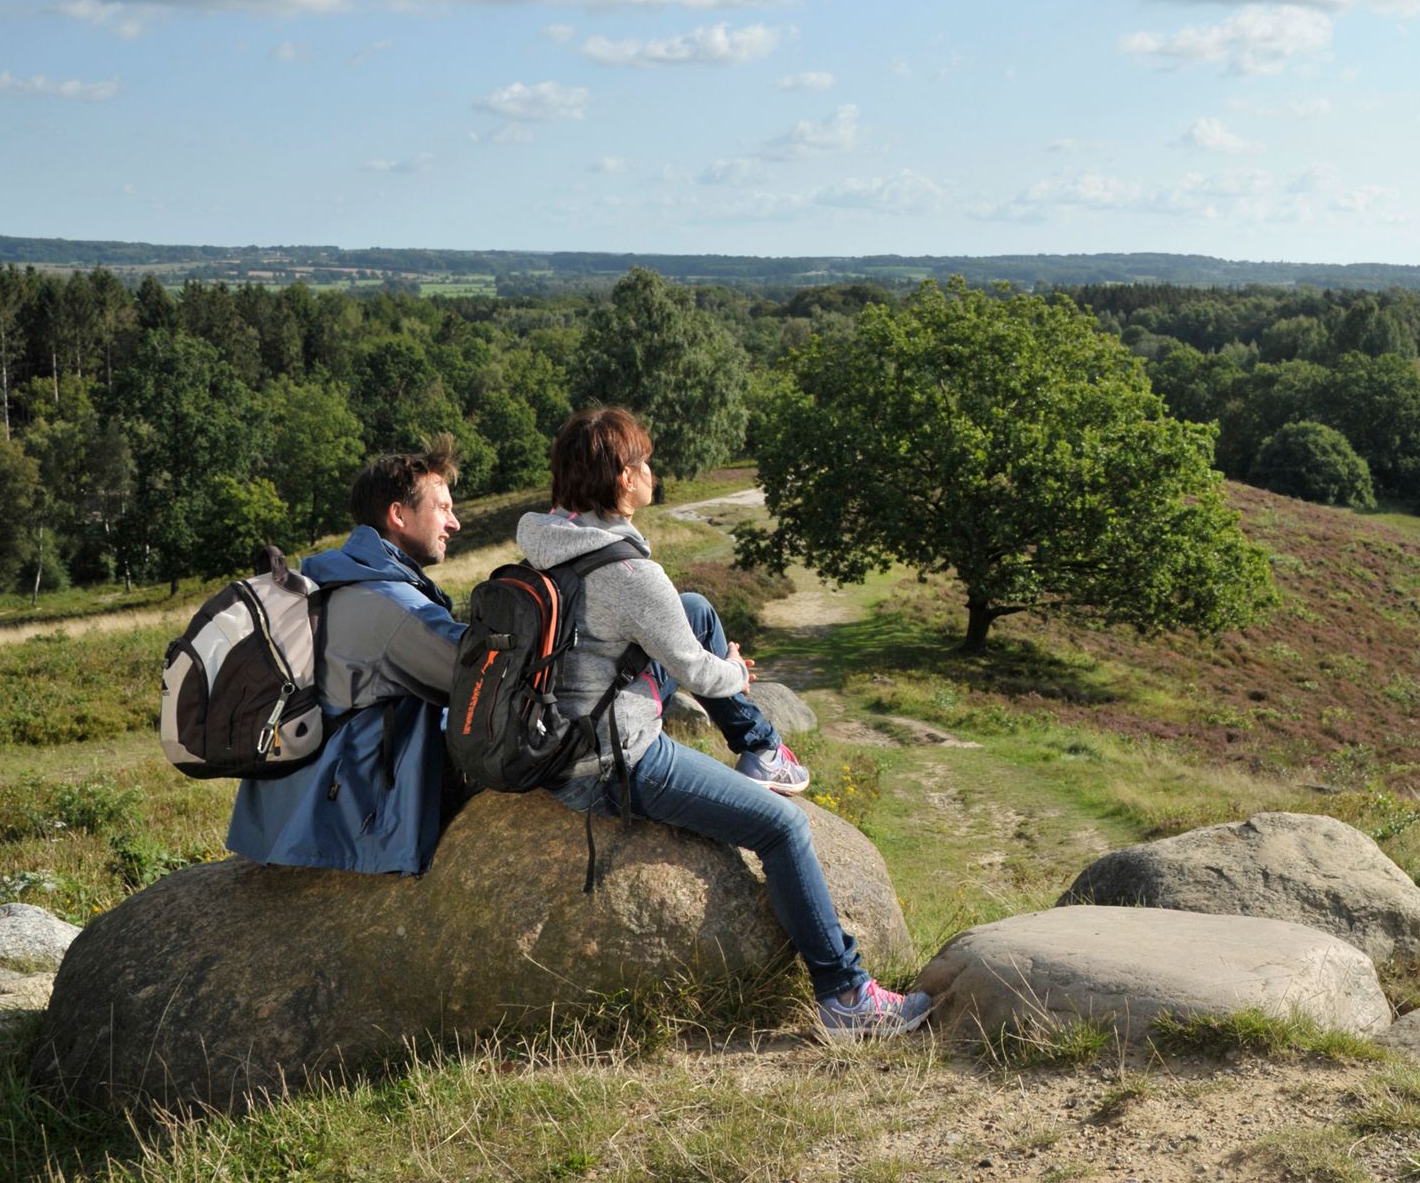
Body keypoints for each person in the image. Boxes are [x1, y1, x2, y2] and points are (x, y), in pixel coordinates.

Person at [520, 405, 930, 1039]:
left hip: (560, 727)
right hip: (611, 759)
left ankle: (760, 749)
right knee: (784, 827)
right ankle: (845, 995)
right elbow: (701, 676)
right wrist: (735, 670)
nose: (652, 471)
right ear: (622, 480)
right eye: (643, 461)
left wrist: (706, 652)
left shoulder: (546, 539)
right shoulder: (629, 572)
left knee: (695, 607)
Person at [225, 439, 466, 875]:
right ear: (398, 515)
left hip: (277, 816)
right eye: (443, 508)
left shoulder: (330, 580)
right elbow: (476, 675)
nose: (455, 523)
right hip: (336, 825)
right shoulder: (390, 605)